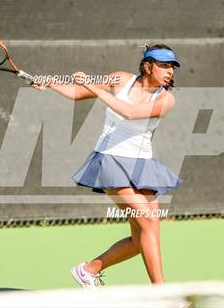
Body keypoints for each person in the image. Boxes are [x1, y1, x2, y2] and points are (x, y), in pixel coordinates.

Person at [34, 44, 183, 289]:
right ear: (148, 66)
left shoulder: (167, 99)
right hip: (110, 160)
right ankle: (163, 295)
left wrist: (92, 86)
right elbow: (75, 93)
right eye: (164, 65)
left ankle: (88, 269)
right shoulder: (120, 79)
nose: (170, 72)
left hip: (142, 165)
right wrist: (50, 82)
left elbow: (131, 113)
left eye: (172, 67)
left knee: (143, 237)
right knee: (147, 221)